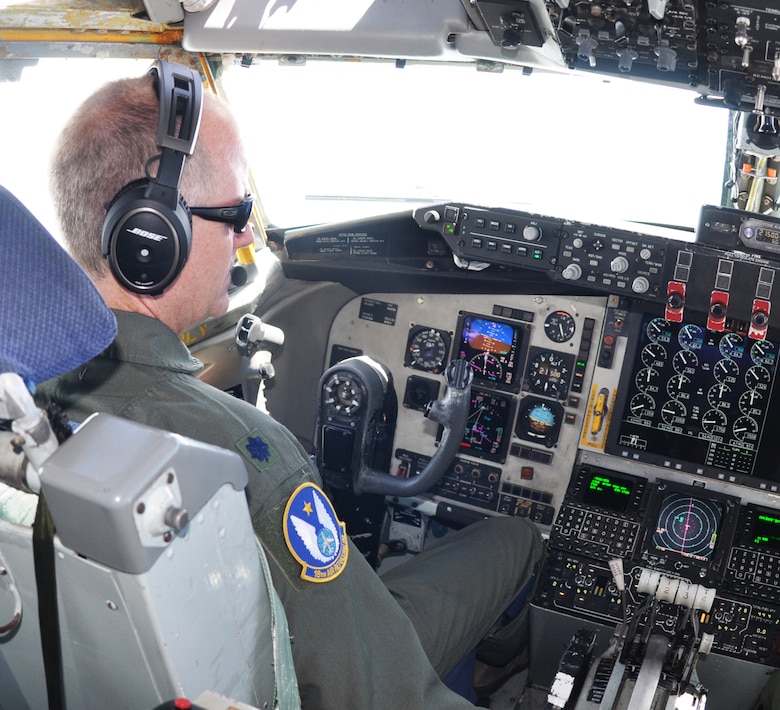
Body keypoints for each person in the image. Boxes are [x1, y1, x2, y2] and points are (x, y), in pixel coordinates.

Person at [38, 60, 544, 709]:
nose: (251, 234)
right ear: (151, 237)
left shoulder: (22, 396)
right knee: (517, 537)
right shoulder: (242, 449)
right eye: (237, 209)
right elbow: (384, 694)